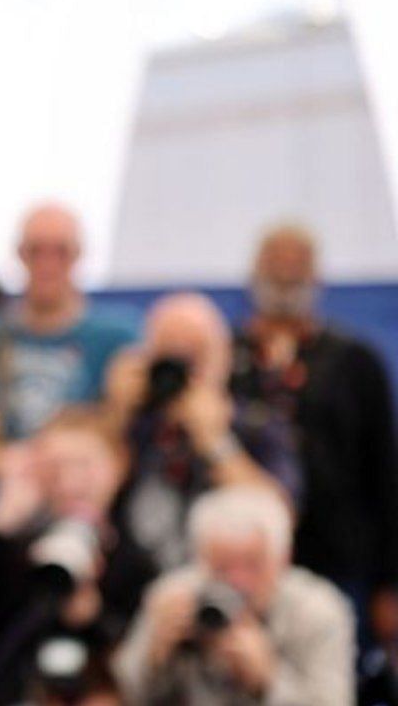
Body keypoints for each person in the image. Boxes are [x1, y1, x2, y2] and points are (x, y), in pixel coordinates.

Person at [231, 224, 398, 656]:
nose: (286, 274)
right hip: (239, 560)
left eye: (297, 264)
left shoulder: (355, 360)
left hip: (340, 561)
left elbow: (385, 473)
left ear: (317, 276)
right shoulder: (225, 356)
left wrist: (388, 583)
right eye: (275, 262)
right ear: (253, 272)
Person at [0, 407, 159, 705]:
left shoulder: (135, 562)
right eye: (55, 468)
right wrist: (1, 522)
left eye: (84, 465)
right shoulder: (15, 550)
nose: (70, 481)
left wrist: (94, 619)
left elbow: (147, 665)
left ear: (119, 465)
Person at [113, 484, 354, 705]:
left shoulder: (317, 611)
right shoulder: (174, 598)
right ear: (199, 562)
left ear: (283, 560)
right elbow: (126, 690)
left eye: (252, 565)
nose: (238, 581)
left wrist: (268, 679)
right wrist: (155, 653)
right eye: (223, 567)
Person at [105, 293, 295, 572]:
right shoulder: (135, 423)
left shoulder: (257, 425)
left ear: (224, 357)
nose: (183, 374)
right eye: (169, 356)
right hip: (129, 581)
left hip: (225, 582)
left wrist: (215, 441)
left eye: (195, 356)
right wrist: (115, 414)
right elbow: (79, 492)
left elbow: (280, 516)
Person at [0, 204, 139, 442]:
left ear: (78, 254)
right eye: (36, 251)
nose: (48, 264)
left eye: (61, 251)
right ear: (20, 254)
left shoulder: (118, 337)